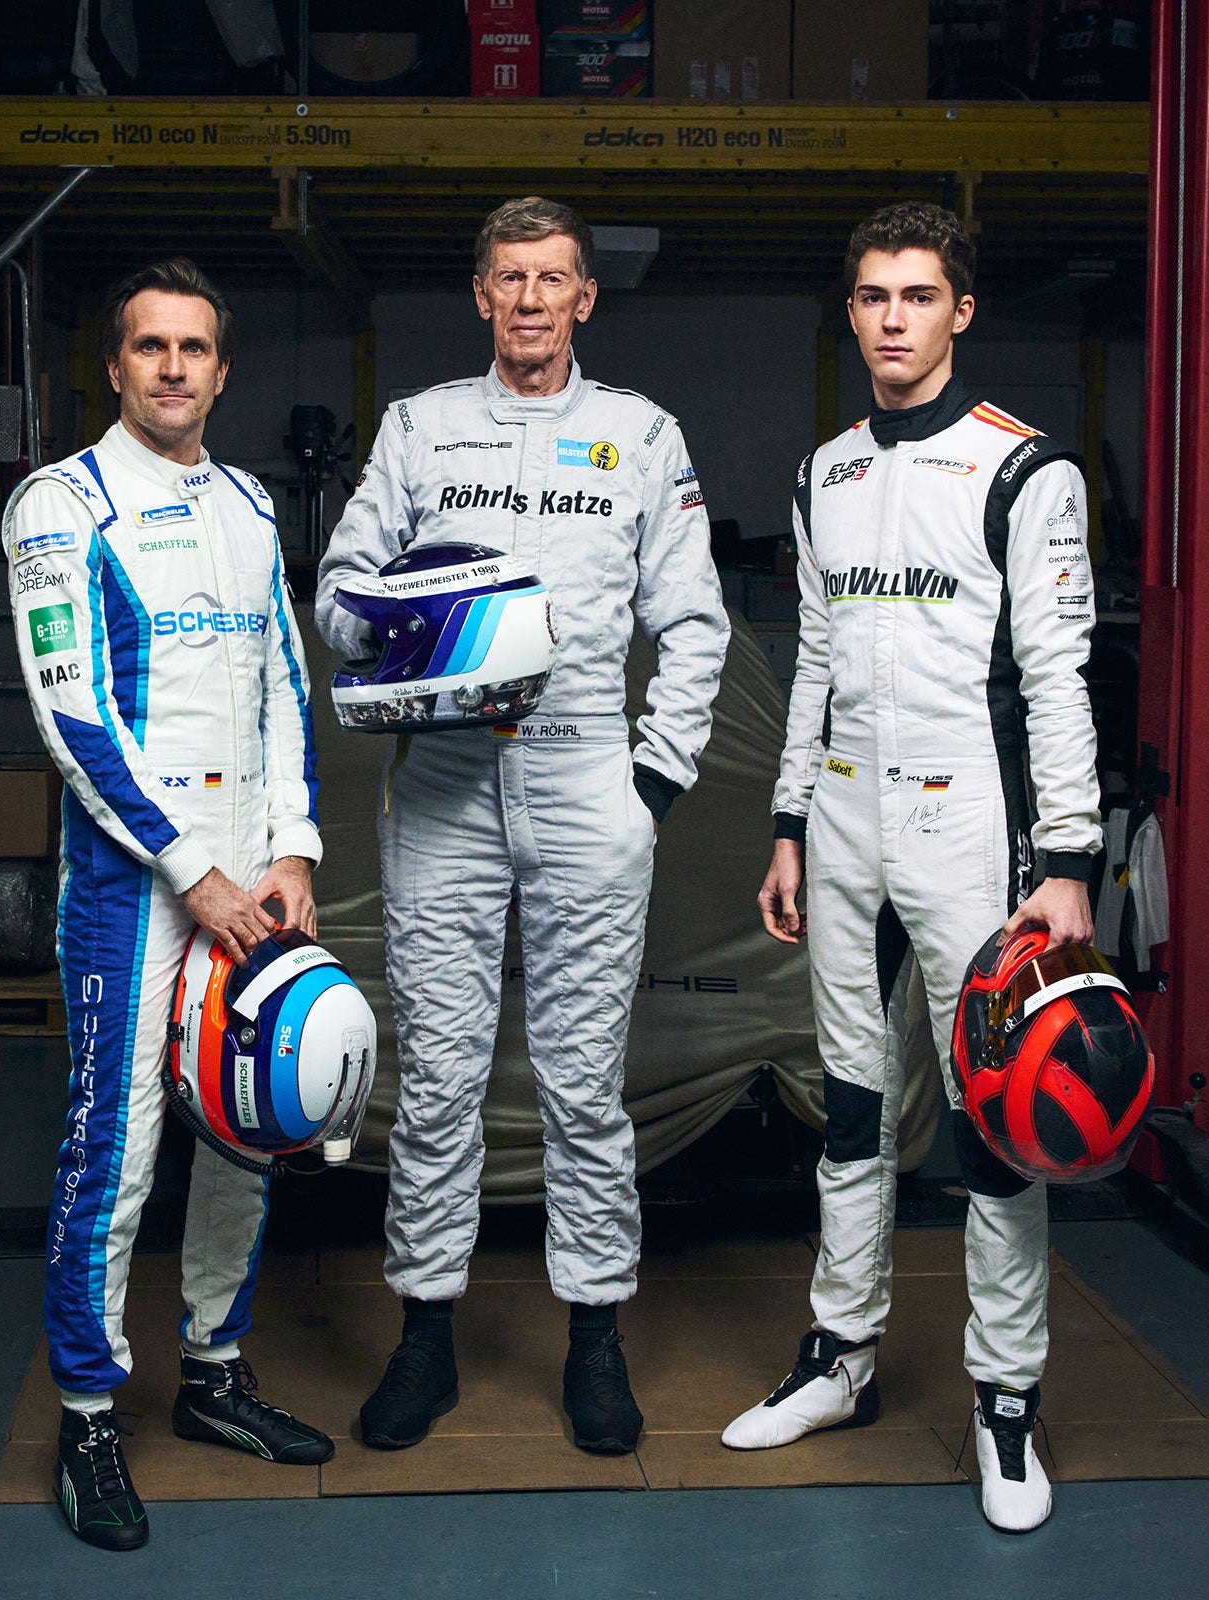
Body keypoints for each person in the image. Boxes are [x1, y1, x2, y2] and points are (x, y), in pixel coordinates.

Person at [315, 197, 729, 1456]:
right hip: (441, 784)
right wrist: (414, 635)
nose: (533, 300)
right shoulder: (420, 427)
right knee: (436, 1076)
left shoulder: (638, 437)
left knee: (582, 1084)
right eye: (510, 279)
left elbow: (696, 627)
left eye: (555, 279)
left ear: (585, 297)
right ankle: (424, 1338)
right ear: (482, 296)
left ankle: (594, 1339)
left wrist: (651, 781)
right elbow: (335, 594)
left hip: (587, 782)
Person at [719, 203, 1100, 1534]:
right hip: (842, 831)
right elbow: (811, 667)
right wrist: (785, 825)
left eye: (918, 295)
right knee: (851, 1106)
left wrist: (1068, 859)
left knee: (998, 1118)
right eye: (874, 295)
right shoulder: (823, 474)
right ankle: (841, 1358)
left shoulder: (1024, 470)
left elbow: (1058, 677)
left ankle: (1006, 1403)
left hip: (972, 833)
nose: (893, 317)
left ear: (961, 312)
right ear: (853, 312)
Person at [4, 258, 333, 1552]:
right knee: (116, 1149)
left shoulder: (251, 505)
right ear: (115, 363)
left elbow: (285, 690)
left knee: (252, 1127)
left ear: (223, 366)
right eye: (152, 347)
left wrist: (292, 851)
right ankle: (89, 1412)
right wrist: (189, 865)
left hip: (255, 878)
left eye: (196, 347)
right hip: (135, 889)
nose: (175, 368)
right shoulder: (60, 505)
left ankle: (213, 1371)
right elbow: (70, 710)